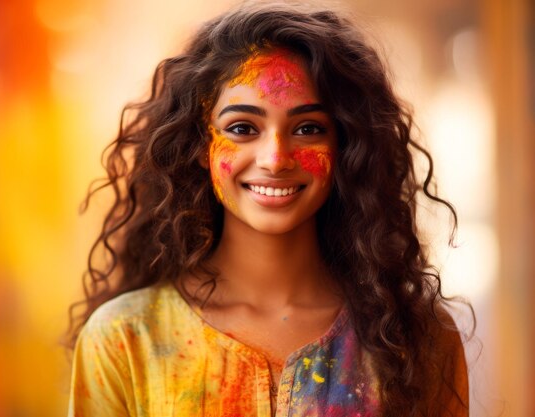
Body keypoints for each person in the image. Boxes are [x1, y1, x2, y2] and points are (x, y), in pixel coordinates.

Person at [66, 2, 472, 416]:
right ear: (201, 147)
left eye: (307, 128)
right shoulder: (125, 339)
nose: (276, 159)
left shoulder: (417, 339)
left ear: (345, 146)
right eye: (242, 129)